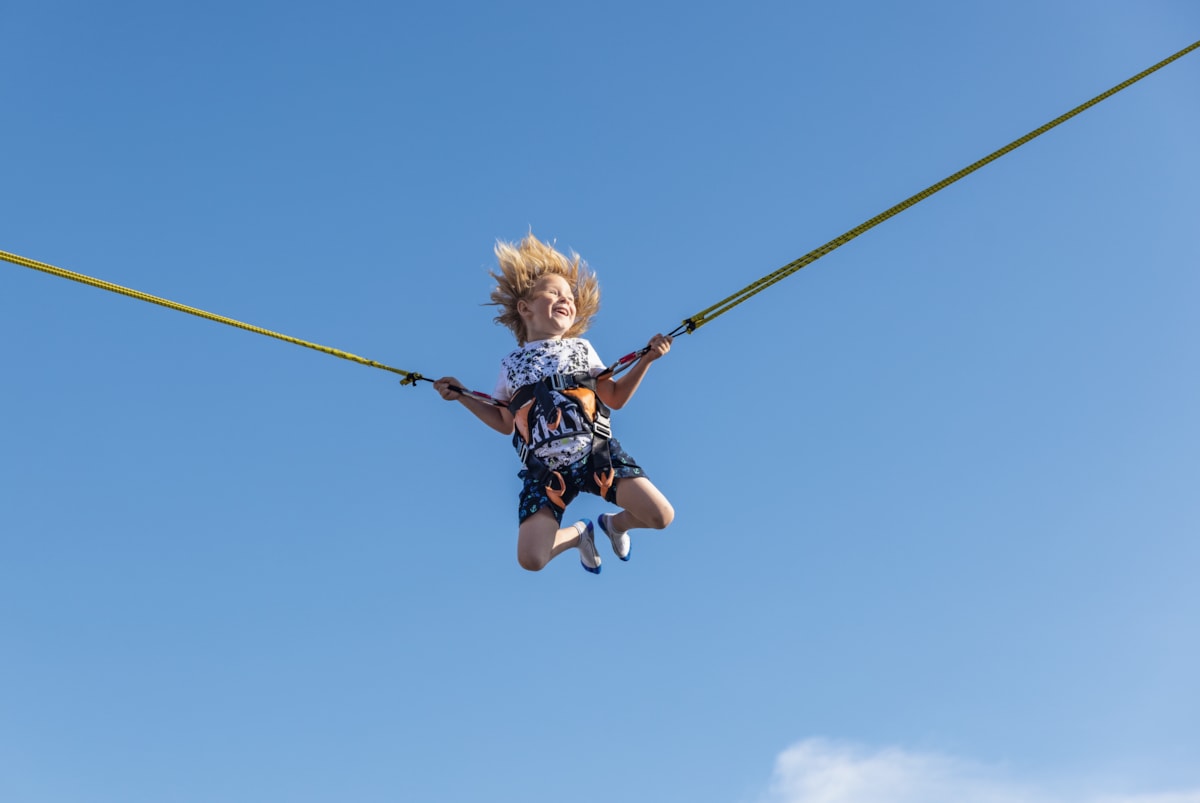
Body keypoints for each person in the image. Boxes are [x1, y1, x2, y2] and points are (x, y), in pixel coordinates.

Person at [434, 234, 674, 574]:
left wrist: (646, 360)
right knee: (531, 559)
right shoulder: (511, 364)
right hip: (545, 473)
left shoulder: (582, 349)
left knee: (661, 516)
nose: (566, 300)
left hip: (596, 456)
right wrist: (461, 397)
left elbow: (615, 398)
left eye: (569, 297)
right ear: (526, 307)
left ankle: (615, 526)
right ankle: (579, 534)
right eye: (554, 292)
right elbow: (505, 422)